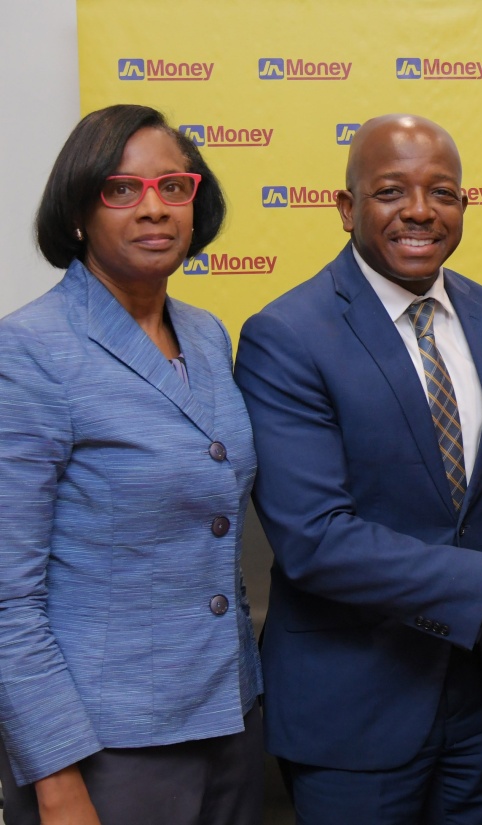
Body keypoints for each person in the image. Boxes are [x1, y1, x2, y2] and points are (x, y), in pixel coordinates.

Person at [234, 113, 482, 825]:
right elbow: (317, 540)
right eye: (390, 191)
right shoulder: (287, 336)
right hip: (357, 710)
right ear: (346, 209)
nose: (419, 211)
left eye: (442, 192)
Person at [0, 104, 263, 824]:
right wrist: (56, 778)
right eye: (123, 189)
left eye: (174, 187)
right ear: (79, 208)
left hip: (232, 718)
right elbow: (7, 600)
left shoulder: (208, 336)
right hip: (104, 751)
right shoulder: (29, 350)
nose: (155, 208)